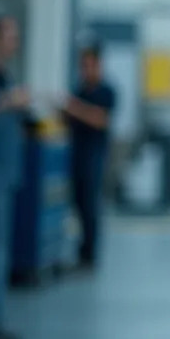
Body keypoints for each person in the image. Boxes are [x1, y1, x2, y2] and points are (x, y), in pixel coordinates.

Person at [59, 45, 116, 269]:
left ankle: (90, 255)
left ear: (99, 65)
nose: (87, 70)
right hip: (77, 153)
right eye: (83, 65)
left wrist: (73, 108)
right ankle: (81, 251)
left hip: (95, 156)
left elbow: (100, 119)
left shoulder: (106, 91)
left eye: (90, 65)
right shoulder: (80, 91)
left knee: (90, 205)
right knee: (78, 203)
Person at [0, 15, 29, 339]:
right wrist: (10, 102)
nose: (14, 41)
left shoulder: (4, 74)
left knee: (0, 253)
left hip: (4, 171)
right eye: (10, 35)